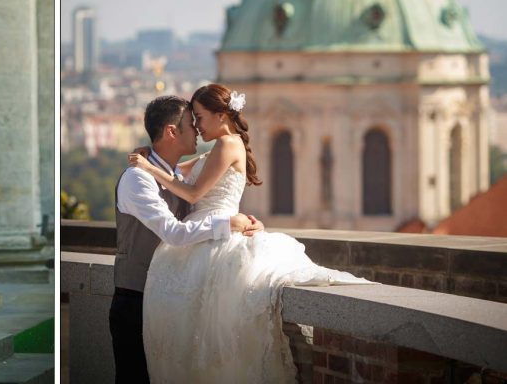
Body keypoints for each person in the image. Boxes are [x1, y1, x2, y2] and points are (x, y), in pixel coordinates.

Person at [130, 84, 373, 383]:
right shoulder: (219, 148)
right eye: (193, 120)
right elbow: (176, 171)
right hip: (206, 234)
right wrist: (150, 157)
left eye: (200, 117)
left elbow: (192, 193)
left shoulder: (228, 144)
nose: (196, 126)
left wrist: (148, 168)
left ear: (221, 115)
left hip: (216, 236)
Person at [110, 95, 263, 384]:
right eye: (191, 124)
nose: (197, 130)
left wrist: (246, 223)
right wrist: (227, 223)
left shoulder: (175, 173)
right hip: (136, 299)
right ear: (171, 132)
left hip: (175, 297)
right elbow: (174, 232)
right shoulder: (137, 180)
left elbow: (202, 196)